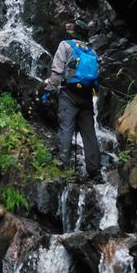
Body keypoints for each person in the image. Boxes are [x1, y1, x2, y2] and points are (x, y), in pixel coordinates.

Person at [44, 18, 102, 181]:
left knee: (66, 129)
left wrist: (49, 91)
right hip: (86, 97)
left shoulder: (66, 45)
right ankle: (95, 171)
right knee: (89, 134)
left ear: (74, 32)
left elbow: (57, 72)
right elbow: (96, 80)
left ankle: (62, 167)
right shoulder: (92, 51)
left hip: (68, 94)